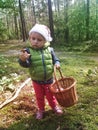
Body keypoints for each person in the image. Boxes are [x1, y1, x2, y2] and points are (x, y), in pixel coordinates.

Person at [19, 24, 63, 120]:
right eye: (33, 38)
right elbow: (26, 64)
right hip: (37, 81)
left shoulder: (50, 50)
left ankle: (54, 106)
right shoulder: (28, 51)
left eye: (39, 40)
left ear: (45, 41)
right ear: (30, 38)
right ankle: (41, 109)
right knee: (39, 97)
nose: (35, 41)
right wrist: (23, 60)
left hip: (49, 80)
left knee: (51, 96)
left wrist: (57, 63)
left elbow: (56, 59)